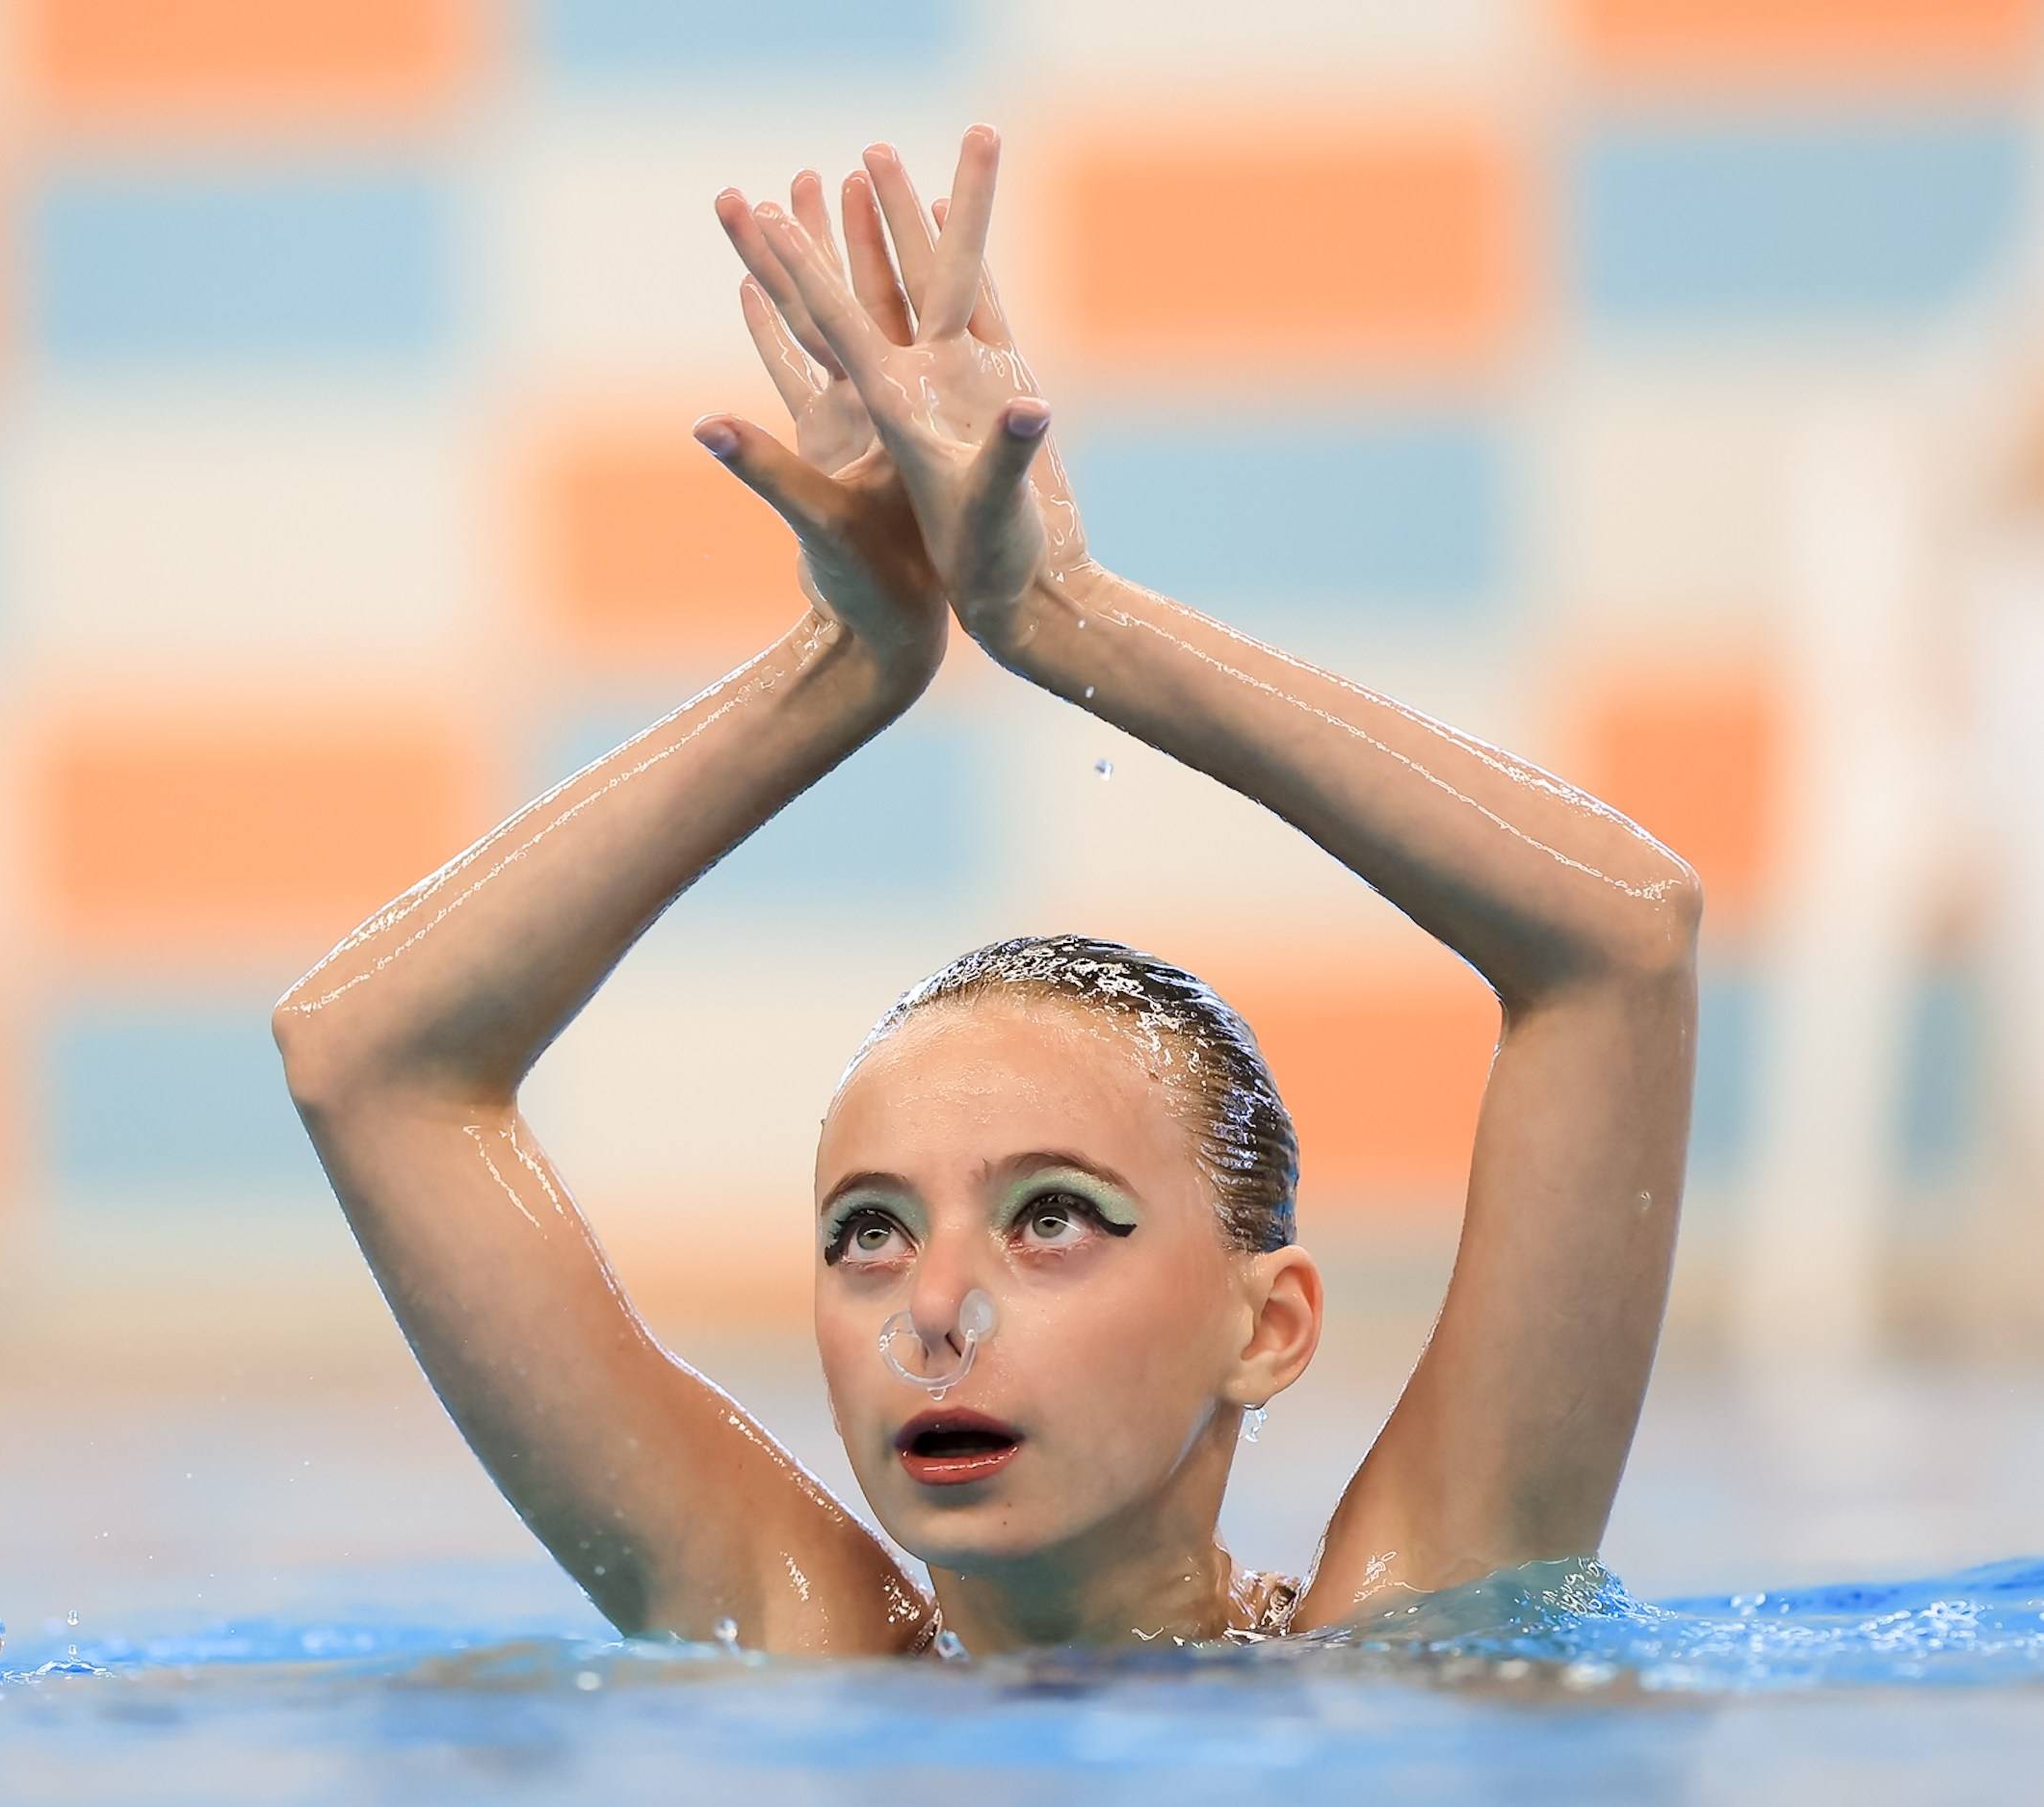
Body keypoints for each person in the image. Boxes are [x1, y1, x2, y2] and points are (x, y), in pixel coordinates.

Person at [271, 127, 1700, 1654]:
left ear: (1265, 1326)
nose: (932, 1307)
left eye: (1052, 1218)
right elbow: (364, 1055)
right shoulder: (794, 1635)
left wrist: (1068, 619)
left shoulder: (1417, 1637)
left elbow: (1623, 939)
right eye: (868, 1231)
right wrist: (838, 676)